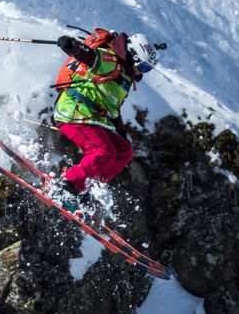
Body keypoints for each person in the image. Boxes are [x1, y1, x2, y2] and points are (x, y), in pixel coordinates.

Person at [50, 29, 162, 209]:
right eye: (143, 66)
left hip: (92, 117)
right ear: (133, 55)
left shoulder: (125, 78)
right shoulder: (110, 60)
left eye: (147, 69)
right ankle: (65, 187)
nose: (142, 72)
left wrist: (121, 133)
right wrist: (72, 46)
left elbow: (113, 109)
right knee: (103, 152)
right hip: (74, 112)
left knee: (124, 151)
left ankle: (87, 187)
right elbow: (89, 56)